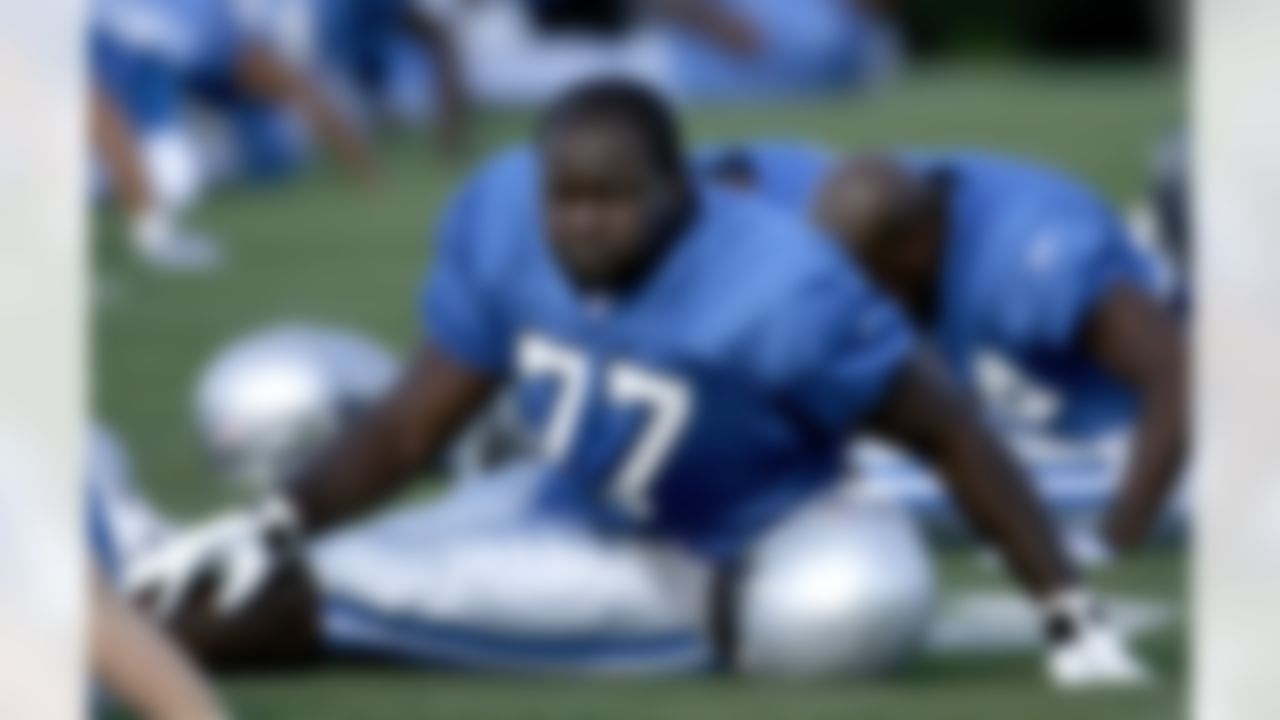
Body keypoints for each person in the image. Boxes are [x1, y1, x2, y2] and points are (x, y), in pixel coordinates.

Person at [126, 79, 1145, 689]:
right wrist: (278, 517)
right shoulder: (503, 214)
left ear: (676, 189)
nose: (582, 224)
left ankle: (87, 657)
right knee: (256, 564)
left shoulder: (780, 290)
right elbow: (407, 428)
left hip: (699, 555)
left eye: (612, 198)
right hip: (557, 493)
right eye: (565, 197)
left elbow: (950, 433)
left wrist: (1066, 609)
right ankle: (96, 602)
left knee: (325, 596)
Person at [702, 139, 1188, 558]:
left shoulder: (1026, 259)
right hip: (1021, 411)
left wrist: (1114, 539)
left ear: (914, 251)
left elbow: (1179, 369)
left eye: (870, 283)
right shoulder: (863, 217)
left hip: (1122, 422)